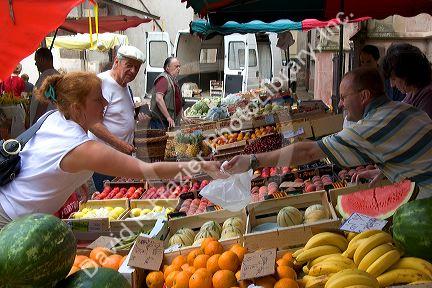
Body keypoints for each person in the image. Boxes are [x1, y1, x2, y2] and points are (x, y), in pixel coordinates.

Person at [0, 71, 223, 229]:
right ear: (78, 108)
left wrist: (73, 186)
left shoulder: (55, 117)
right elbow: (146, 170)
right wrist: (202, 165)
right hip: (8, 219)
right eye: (98, 99)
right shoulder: (81, 148)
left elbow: (44, 162)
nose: (106, 103)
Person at [223, 67, 432, 199]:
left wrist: (252, 161)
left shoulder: (369, 128)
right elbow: (411, 154)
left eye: (343, 97)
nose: (340, 104)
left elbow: (309, 152)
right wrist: (383, 170)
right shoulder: (408, 110)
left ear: (364, 96)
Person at [88, 45, 149, 192]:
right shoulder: (100, 83)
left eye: (137, 68)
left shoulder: (126, 87)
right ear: (116, 62)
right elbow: (92, 123)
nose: (133, 71)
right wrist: (119, 144)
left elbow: (119, 116)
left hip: (121, 159)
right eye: (129, 66)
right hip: (104, 160)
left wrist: (136, 119)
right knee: (108, 200)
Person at [382, 43, 432, 119]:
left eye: (394, 79)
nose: (392, 85)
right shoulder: (411, 92)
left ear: (406, 74)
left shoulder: (428, 96)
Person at [150, 57, 185, 129]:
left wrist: (183, 117)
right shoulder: (163, 79)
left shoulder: (173, 80)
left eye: (179, 66)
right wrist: (168, 117)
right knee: (162, 139)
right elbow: (159, 99)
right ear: (167, 68)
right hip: (161, 122)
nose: (179, 69)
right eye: (176, 66)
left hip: (168, 120)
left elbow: (178, 100)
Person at [31, 47, 59, 124]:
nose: (36, 64)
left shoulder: (48, 76)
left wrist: (36, 123)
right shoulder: (55, 75)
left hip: (45, 122)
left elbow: (44, 101)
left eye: (36, 60)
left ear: (43, 60)